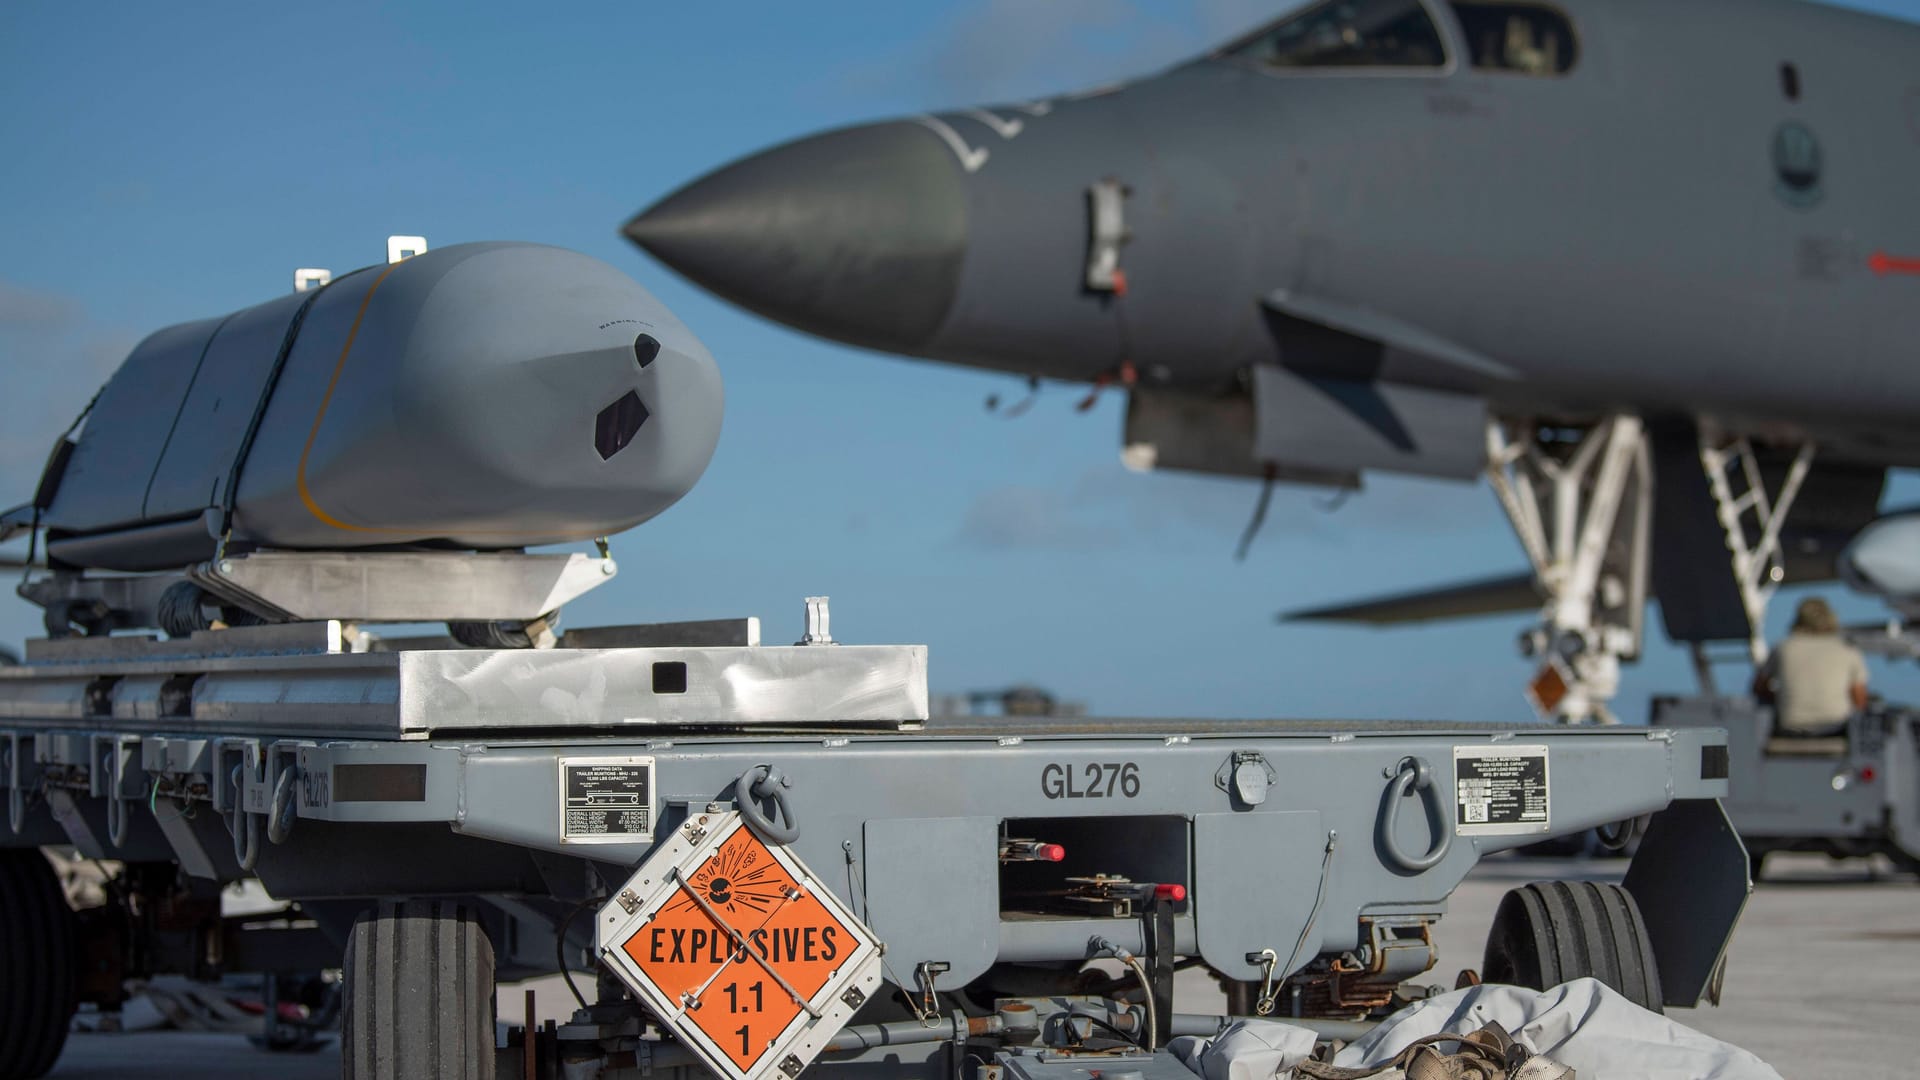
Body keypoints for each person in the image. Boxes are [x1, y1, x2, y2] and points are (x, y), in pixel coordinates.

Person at [1751, 597, 1868, 738]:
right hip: (1836, 728)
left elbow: (1758, 687)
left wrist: (1780, 697)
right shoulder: (1847, 650)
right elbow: (1859, 699)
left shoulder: (1783, 648)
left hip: (1790, 727)